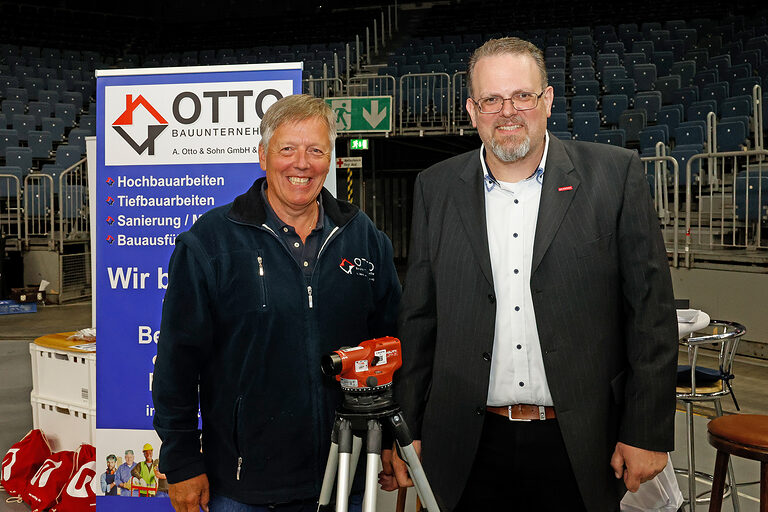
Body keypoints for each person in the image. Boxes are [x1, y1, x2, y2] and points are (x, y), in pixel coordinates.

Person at [381, 37, 678, 512]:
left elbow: (651, 313)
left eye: (522, 95)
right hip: (467, 443)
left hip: (582, 442)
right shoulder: (435, 188)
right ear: (472, 110)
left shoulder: (613, 175)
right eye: (491, 100)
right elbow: (420, 319)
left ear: (548, 100)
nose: (508, 111)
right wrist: (408, 428)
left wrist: (645, 431)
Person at [153, 94, 401, 512]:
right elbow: (177, 361)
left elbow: (393, 345)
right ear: (263, 155)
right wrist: (179, 459)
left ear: (330, 158)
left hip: (350, 475)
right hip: (244, 487)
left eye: (316, 150)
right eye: (287, 149)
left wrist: (393, 438)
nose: (301, 163)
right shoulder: (210, 242)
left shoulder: (363, 237)